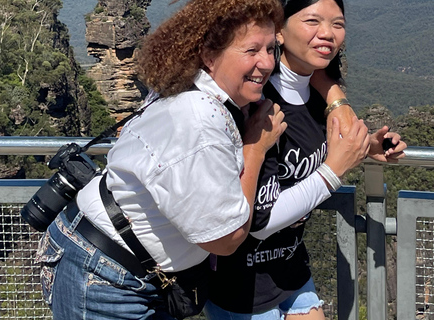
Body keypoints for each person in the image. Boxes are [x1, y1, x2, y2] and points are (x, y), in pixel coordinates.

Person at [34, 0, 287, 319]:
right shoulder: (198, 121)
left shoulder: (190, 87)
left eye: (270, 49)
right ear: (209, 56)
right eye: (251, 51)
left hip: (128, 269)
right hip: (103, 276)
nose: (266, 63)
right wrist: (255, 147)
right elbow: (225, 239)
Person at [205, 0, 407, 319]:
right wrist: (335, 170)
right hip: (242, 285)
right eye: (312, 21)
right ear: (280, 32)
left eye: (337, 24)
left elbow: (318, 146)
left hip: (291, 268)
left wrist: (367, 146)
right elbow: (259, 222)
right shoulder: (258, 105)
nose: (327, 33)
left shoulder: (319, 98)